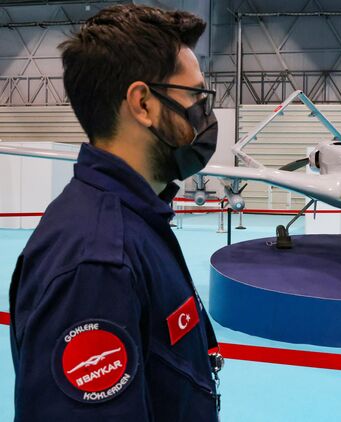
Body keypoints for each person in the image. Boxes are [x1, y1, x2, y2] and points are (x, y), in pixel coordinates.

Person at [9, 5, 222, 420]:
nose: (204, 113)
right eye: (195, 96)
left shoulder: (137, 221)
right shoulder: (98, 264)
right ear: (143, 104)